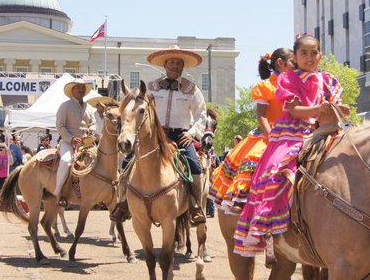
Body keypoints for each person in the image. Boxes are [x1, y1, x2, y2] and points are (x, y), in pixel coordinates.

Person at [233, 35, 347, 257]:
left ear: (320, 55)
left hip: (323, 128)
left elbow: (334, 106)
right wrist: (319, 109)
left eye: (314, 53)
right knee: (276, 170)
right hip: (292, 132)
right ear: (295, 56)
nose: (310, 57)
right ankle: (269, 228)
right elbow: (294, 111)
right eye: (304, 53)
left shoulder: (328, 80)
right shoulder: (287, 79)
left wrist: (339, 109)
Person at [111, 45, 208, 224]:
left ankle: (195, 207)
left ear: (183, 66)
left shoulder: (192, 89)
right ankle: (122, 203)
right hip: (156, 135)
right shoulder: (151, 87)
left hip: (181, 136)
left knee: (194, 166)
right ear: (165, 64)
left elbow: (202, 115)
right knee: (126, 163)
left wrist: (192, 133)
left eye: (178, 62)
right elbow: (138, 108)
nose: (175, 65)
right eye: (171, 62)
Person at [209, 48, 294, 216]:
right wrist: (272, 137)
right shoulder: (266, 86)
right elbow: (261, 116)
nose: (297, 67)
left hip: (294, 131)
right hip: (270, 132)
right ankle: (241, 198)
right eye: (294, 63)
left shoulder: (297, 85)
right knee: (254, 158)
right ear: (280, 64)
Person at [55, 78, 96, 207]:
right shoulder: (65, 106)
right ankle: (59, 191)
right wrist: (71, 139)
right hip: (69, 143)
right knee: (66, 161)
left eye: (82, 88)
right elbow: (60, 126)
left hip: (87, 144)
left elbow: (93, 123)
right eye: (78, 87)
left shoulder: (88, 107)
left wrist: (91, 130)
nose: (80, 89)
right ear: (72, 90)